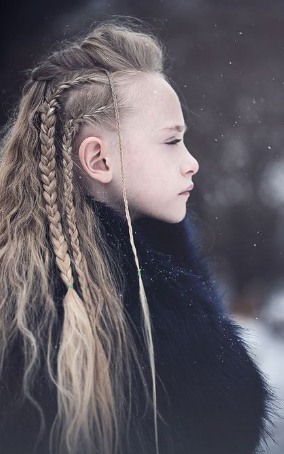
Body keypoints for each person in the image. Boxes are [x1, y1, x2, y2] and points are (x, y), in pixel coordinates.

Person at [0, 16, 278, 454]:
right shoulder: (141, 320)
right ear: (99, 160)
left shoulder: (27, 292)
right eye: (172, 142)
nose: (192, 163)